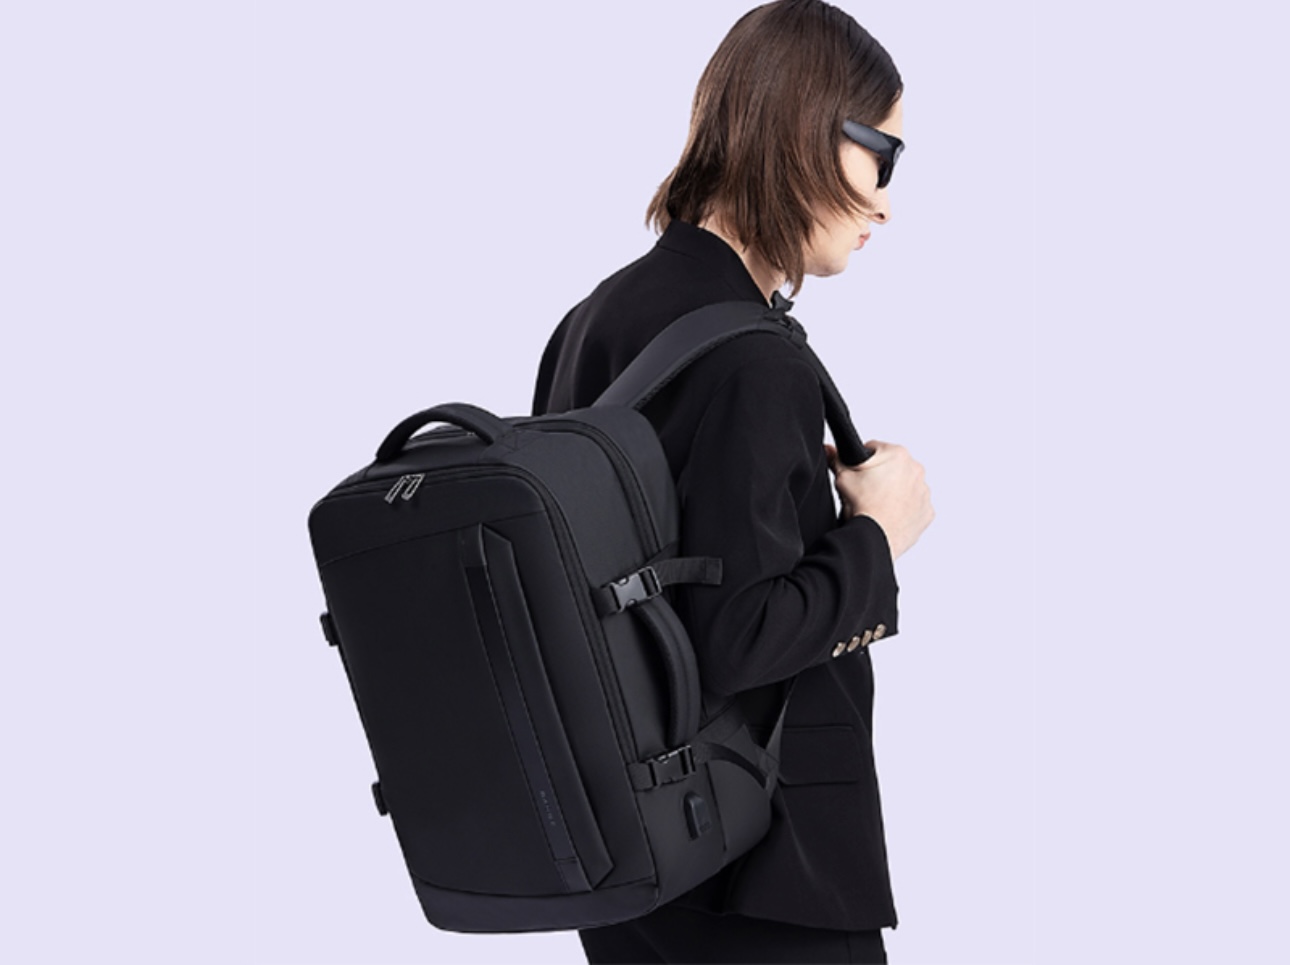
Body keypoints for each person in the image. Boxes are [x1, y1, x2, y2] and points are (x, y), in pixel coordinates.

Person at [530, 1, 934, 961]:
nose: (886, 202)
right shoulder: (755, 358)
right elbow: (737, 634)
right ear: (808, 128)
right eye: (884, 154)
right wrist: (877, 538)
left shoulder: (590, 323)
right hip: (767, 877)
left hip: (632, 875)